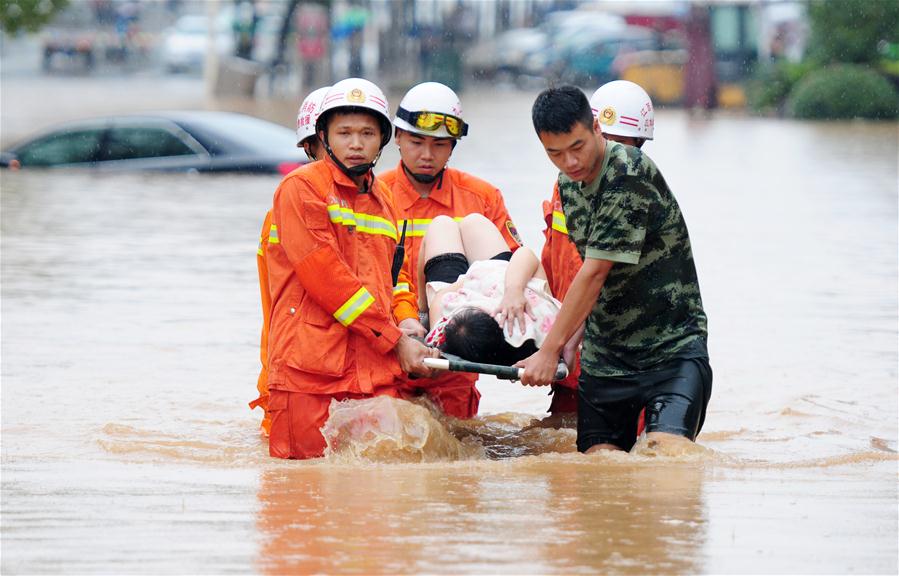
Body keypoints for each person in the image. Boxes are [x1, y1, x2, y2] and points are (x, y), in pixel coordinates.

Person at [522, 86, 711, 454]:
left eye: (577, 147)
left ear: (596, 127)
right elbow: (598, 282)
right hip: (607, 360)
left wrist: (549, 350)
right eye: (555, 153)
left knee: (668, 461)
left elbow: (594, 272)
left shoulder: (629, 169)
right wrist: (571, 343)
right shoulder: (568, 186)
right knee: (600, 478)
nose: (570, 162)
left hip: (671, 351)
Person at [265, 78, 436, 459]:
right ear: (323, 136)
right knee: (302, 491)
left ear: (382, 141)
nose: (356, 144)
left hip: (373, 369)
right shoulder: (301, 187)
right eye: (344, 133)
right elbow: (327, 279)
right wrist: (396, 341)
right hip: (310, 373)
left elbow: (397, 278)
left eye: (367, 133)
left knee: (382, 499)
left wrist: (408, 322)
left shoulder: (385, 199)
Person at [380, 82, 522, 419]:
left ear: (453, 146)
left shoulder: (482, 197)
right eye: (416, 142)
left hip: (456, 354)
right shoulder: (376, 196)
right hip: (391, 348)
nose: (427, 155)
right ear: (397, 137)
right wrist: (404, 322)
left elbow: (509, 267)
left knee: (458, 454)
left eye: (440, 145)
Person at [540, 80, 656, 416]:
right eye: (606, 141)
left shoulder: (639, 194)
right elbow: (551, 262)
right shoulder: (566, 188)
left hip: (618, 360)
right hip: (566, 360)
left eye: (623, 144)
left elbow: (599, 276)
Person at [250, 85, 330, 437]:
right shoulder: (295, 205)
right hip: (298, 373)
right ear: (311, 147)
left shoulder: (375, 202)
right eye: (335, 140)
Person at [417, 213, 571, 368]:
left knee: (441, 224)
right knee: (474, 221)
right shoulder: (538, 319)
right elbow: (525, 254)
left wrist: (469, 279)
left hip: (460, 286)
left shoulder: (447, 329)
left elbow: (440, 298)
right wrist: (514, 289)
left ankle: (421, 308)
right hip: (503, 276)